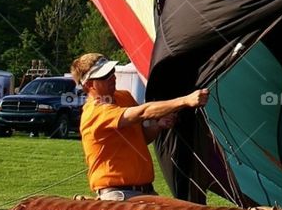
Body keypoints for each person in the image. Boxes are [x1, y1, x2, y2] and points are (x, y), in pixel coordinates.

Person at [70, 52, 209, 201]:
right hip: (118, 195)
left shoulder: (124, 97)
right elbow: (143, 112)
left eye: (112, 71)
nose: (113, 77)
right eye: (105, 76)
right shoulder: (95, 112)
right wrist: (186, 101)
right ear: (88, 85)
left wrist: (158, 126)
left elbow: (140, 137)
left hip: (144, 191)